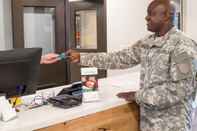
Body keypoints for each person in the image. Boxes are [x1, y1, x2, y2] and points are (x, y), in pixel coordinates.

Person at [41, 0, 197, 130]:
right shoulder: (148, 42)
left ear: (167, 16)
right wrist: (81, 57)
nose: (146, 18)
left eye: (151, 14)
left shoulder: (182, 47)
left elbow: (180, 90)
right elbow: (119, 58)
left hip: (172, 124)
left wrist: (137, 95)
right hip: (149, 122)